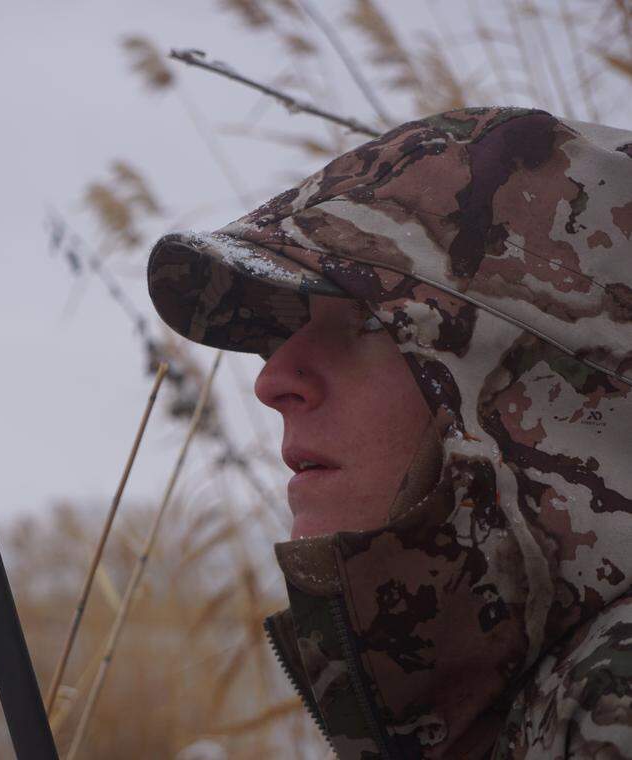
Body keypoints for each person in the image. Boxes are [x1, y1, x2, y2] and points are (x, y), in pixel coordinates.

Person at [146, 106, 632, 758]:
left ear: (540, 379)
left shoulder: (612, 702)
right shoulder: (536, 699)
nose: (273, 380)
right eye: (297, 325)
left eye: (371, 319)